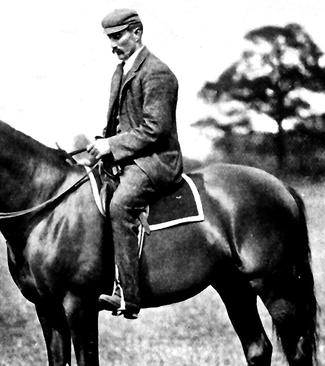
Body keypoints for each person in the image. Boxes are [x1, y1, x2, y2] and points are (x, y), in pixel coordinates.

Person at [87, 8, 184, 319]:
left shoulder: (157, 73)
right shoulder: (122, 70)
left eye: (117, 37)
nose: (112, 45)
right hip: (128, 157)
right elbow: (120, 121)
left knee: (120, 205)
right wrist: (101, 143)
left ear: (137, 33)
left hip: (155, 161)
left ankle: (128, 295)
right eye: (109, 39)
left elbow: (156, 129)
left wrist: (111, 146)